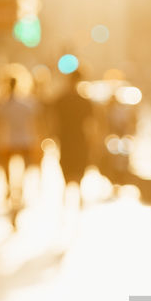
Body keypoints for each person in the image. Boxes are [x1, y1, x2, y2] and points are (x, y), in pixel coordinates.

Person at [0, 75, 42, 212]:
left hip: (7, 140)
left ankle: (10, 187)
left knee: (7, 167)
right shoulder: (26, 104)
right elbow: (34, 122)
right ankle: (20, 188)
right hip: (24, 140)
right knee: (25, 167)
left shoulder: (1, 105)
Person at [53, 70, 95, 207]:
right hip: (79, 139)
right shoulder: (84, 101)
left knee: (67, 166)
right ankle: (78, 197)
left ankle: (67, 196)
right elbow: (91, 124)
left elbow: (54, 122)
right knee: (79, 166)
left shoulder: (61, 99)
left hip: (65, 139)